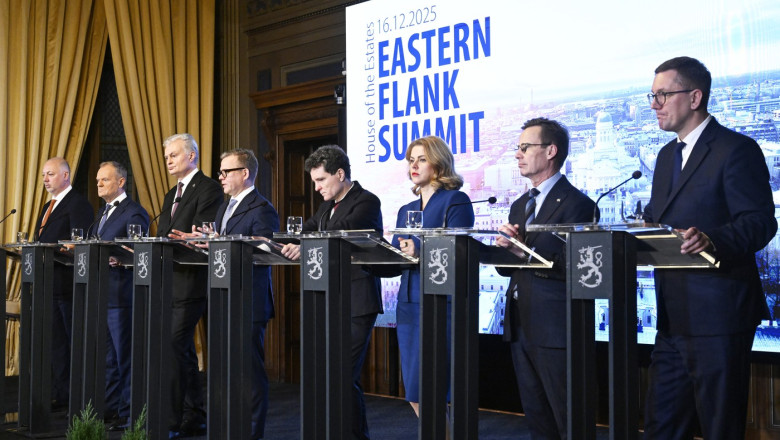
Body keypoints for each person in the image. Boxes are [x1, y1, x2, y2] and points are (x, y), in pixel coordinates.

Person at [642, 56, 776, 439]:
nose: (655, 105)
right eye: (652, 96)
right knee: (662, 427)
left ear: (695, 97)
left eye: (663, 95)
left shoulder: (735, 149)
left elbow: (760, 222)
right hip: (672, 318)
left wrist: (712, 241)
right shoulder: (665, 157)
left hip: (719, 316)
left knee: (720, 427)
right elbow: (658, 217)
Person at [496, 118, 596, 439]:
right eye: (518, 148)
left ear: (551, 151)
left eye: (525, 147)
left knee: (569, 419)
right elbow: (509, 268)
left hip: (556, 327)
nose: (518, 154)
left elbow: (582, 269)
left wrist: (524, 253)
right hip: (520, 324)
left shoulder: (579, 205)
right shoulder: (519, 205)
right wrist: (505, 251)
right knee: (538, 420)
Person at [170, 149, 279, 439]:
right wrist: (204, 242)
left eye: (226, 172)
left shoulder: (262, 208)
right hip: (222, 298)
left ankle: (251, 433)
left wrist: (221, 242)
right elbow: (223, 246)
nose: (220, 177)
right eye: (220, 172)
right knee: (226, 373)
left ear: (245, 173)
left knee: (249, 374)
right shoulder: (224, 207)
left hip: (248, 300)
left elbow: (263, 252)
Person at [280, 145, 383, 440]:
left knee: (342, 374)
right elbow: (309, 229)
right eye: (314, 181)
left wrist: (304, 245)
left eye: (321, 180)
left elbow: (341, 232)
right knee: (333, 376)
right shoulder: (326, 206)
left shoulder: (366, 201)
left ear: (340, 174)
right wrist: (283, 242)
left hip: (356, 301)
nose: (316, 188)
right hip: (328, 300)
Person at [390, 136, 474, 417]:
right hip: (408, 305)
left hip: (441, 304)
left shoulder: (455, 201)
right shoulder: (406, 210)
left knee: (435, 389)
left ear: (438, 163)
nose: (413, 166)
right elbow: (397, 255)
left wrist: (421, 250)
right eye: (411, 160)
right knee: (414, 392)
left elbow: (460, 251)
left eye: (422, 159)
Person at [157, 133, 224, 438]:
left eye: (173, 155)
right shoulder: (171, 194)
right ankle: (193, 413)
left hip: (192, 281)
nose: (168, 160)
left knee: (175, 345)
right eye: (167, 156)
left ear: (192, 156)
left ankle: (173, 419)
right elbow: (164, 234)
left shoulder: (208, 188)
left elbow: (200, 234)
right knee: (179, 349)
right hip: (169, 280)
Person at [92, 161, 150, 430]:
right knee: (108, 359)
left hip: (123, 297)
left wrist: (122, 258)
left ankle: (129, 413)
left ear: (121, 182)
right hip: (102, 294)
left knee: (125, 357)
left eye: (104, 179)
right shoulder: (102, 213)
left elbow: (139, 251)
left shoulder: (134, 212)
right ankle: (111, 409)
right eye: (98, 180)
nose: (99, 184)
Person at [34, 157, 94, 409]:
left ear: (66, 175)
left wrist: (62, 249)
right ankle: (61, 393)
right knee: (55, 343)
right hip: (48, 283)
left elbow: (79, 244)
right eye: (44, 175)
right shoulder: (48, 206)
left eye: (50, 174)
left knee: (70, 342)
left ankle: (75, 395)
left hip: (68, 285)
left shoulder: (78, 204)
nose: (45, 179)